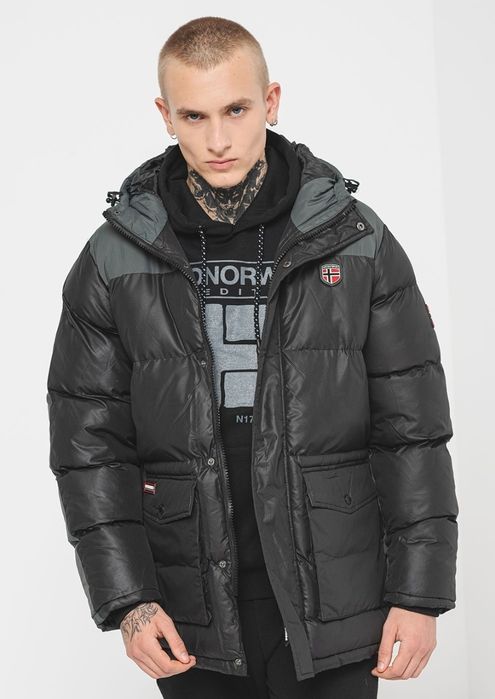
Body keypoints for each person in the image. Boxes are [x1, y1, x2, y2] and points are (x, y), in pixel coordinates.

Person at [46, 15, 459, 699]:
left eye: (235, 109)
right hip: (191, 604)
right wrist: (129, 600)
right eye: (194, 115)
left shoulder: (353, 238)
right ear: (165, 116)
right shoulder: (114, 257)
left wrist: (418, 594)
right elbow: (88, 444)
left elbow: (412, 426)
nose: (217, 139)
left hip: (338, 593)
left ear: (270, 102)